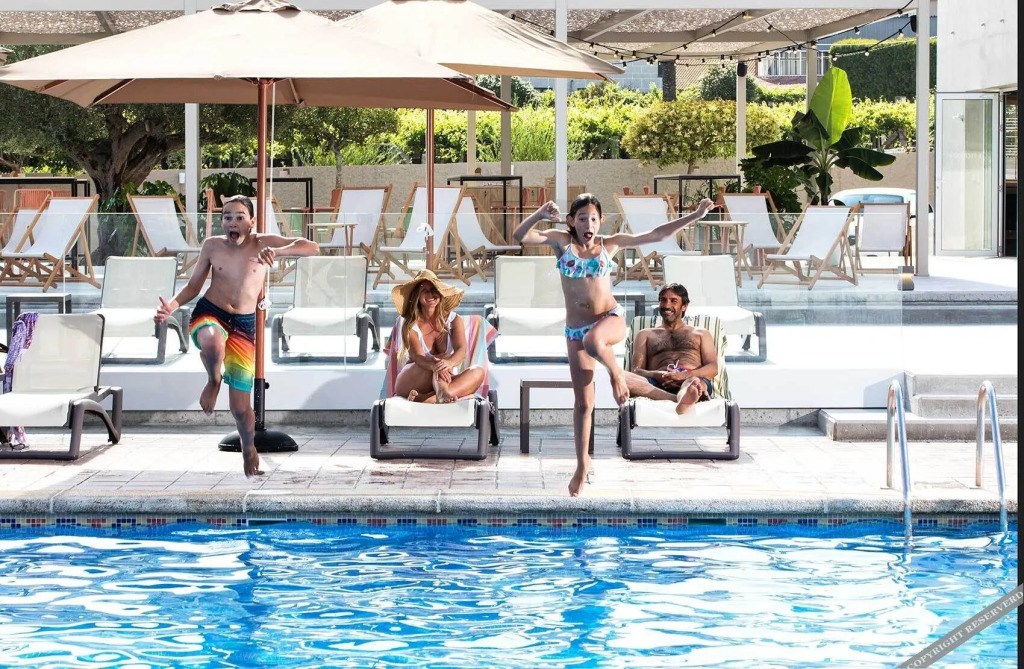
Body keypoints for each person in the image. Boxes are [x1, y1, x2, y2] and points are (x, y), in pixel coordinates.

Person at [513, 193, 717, 496]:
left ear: (601, 222)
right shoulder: (561, 242)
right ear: (571, 221)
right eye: (582, 218)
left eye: (594, 219)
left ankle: (616, 375)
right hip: (575, 331)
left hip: (610, 319)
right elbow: (520, 236)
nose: (589, 224)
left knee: (594, 339)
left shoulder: (609, 244)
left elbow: (657, 234)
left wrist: (696, 216)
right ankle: (582, 464)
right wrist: (539, 214)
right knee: (584, 404)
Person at [155, 195, 319, 478]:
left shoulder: (263, 243)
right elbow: (194, 286)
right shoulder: (212, 246)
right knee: (212, 342)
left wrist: (277, 252)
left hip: (243, 325)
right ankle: (213, 379)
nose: (233, 222)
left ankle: (248, 447)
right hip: (211, 312)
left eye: (240, 217)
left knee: (240, 409)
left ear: (251, 222)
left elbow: (312, 247)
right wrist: (172, 305)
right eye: (227, 217)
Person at [391, 269, 485, 403]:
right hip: (413, 379)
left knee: (478, 371)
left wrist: (449, 363)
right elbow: (418, 357)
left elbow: (461, 350)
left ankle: (428, 398)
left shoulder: (454, 320)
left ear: (440, 293)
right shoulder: (410, 324)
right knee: (443, 357)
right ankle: (441, 393)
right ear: (417, 296)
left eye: (434, 289)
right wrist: (437, 364)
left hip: (443, 379)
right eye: (425, 291)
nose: (430, 294)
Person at [623, 283, 718, 415]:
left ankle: (689, 393)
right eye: (663, 300)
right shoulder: (645, 335)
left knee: (694, 383)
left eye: (673, 301)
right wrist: (657, 375)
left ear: (684, 306)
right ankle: (679, 400)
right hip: (655, 384)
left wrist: (684, 375)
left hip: (690, 379)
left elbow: (713, 368)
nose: (667, 305)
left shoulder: (701, 334)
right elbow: (635, 371)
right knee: (623, 377)